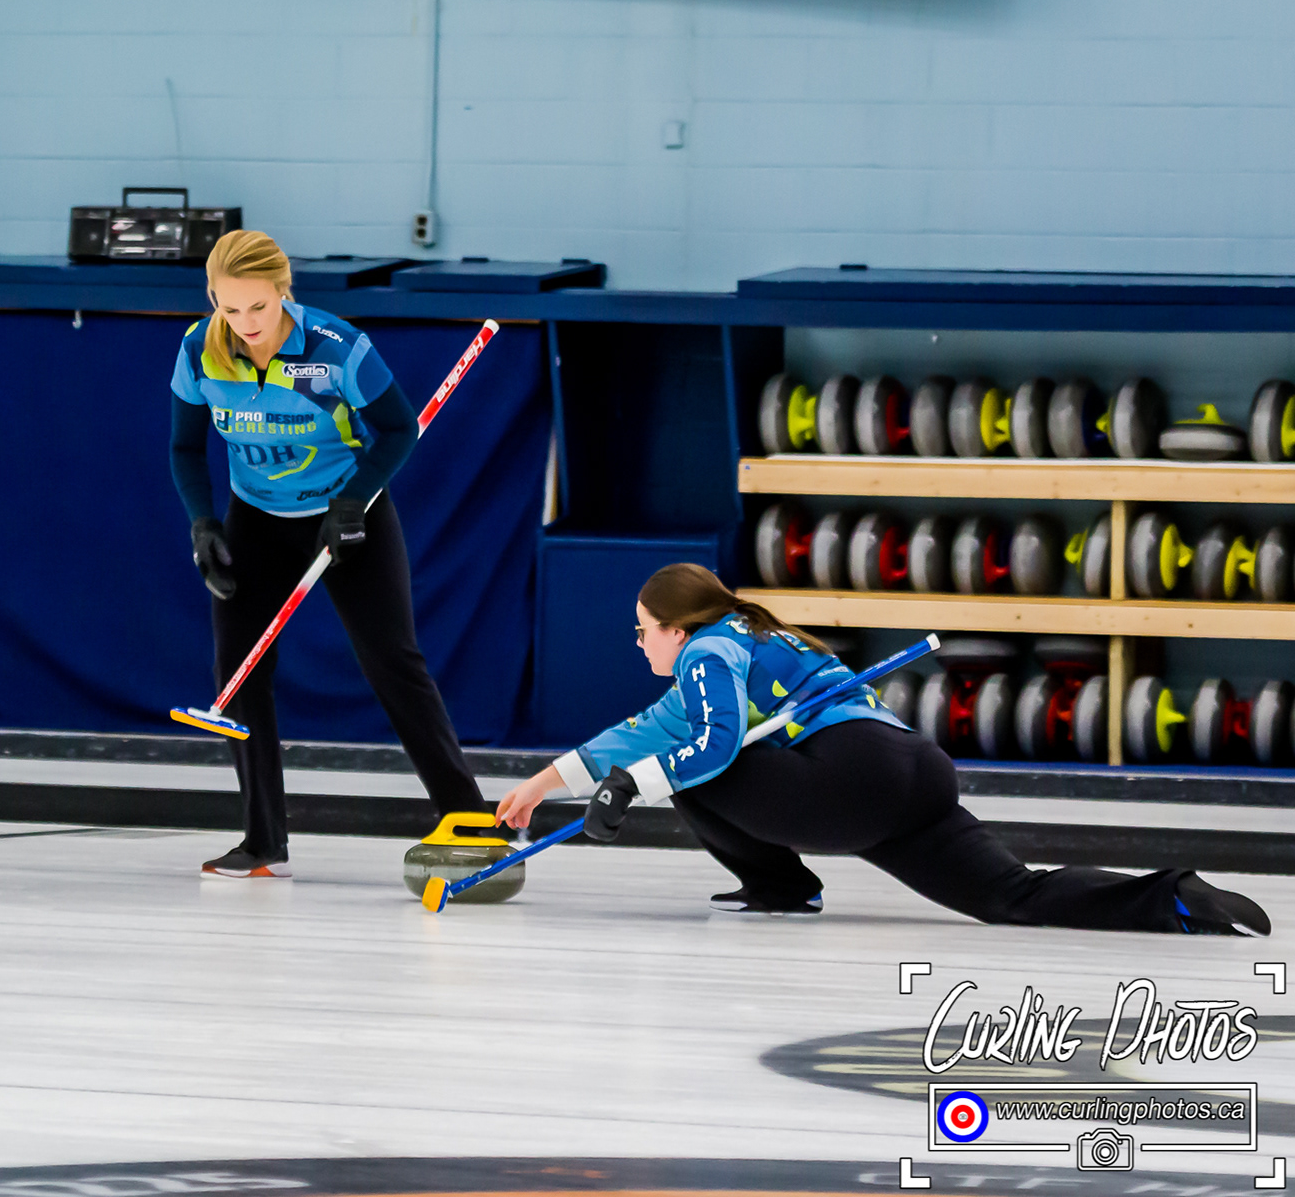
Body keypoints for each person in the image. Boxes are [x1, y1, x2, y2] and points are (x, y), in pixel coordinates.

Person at [497, 564, 1271, 936]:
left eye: (642, 630)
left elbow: (714, 744)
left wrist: (630, 786)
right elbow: (644, 731)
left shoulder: (708, 652)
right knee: (1012, 896)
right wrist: (540, 786)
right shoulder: (749, 638)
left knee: (694, 766)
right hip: (912, 771)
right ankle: (1173, 897)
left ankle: (779, 886)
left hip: (848, 780)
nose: (639, 643)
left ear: (677, 627)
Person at [170, 230, 485, 878]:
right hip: (255, 520)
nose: (245, 323)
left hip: (348, 515)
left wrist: (355, 500)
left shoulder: (336, 348)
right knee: (238, 673)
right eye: (229, 307)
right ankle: (263, 840)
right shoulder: (199, 350)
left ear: (284, 292)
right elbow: (185, 447)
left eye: (259, 306)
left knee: (392, 660)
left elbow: (398, 428)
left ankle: (471, 820)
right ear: (212, 299)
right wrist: (203, 524)